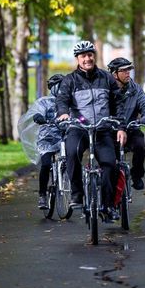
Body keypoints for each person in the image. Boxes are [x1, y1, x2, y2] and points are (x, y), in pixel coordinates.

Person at [56, 40, 127, 221]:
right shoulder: (69, 80)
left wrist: (120, 127)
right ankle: (77, 194)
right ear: (77, 59)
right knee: (71, 153)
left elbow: (118, 103)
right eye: (83, 56)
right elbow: (62, 100)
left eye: (90, 55)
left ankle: (108, 206)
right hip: (78, 128)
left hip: (102, 129)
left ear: (94, 56)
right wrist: (64, 114)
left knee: (110, 164)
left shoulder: (106, 78)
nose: (87, 59)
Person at [107, 57, 145, 190]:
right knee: (108, 161)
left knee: (140, 147)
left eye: (129, 70)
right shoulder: (106, 90)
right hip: (110, 131)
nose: (128, 73)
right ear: (114, 73)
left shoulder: (136, 89)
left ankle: (137, 175)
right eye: (124, 70)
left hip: (131, 129)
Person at [31, 74, 66, 210]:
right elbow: (37, 112)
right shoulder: (44, 102)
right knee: (46, 164)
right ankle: (42, 195)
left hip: (64, 136)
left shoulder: (70, 102)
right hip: (47, 139)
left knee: (72, 160)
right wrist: (39, 117)